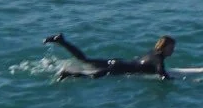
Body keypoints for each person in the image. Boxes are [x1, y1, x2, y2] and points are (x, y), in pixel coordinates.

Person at [46, 34, 178, 79]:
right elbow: (163, 75)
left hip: (116, 62)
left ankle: (61, 41)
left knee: (84, 60)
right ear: (165, 47)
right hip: (117, 69)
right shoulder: (158, 59)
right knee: (93, 76)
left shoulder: (152, 52)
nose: (173, 51)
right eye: (171, 48)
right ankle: (68, 74)